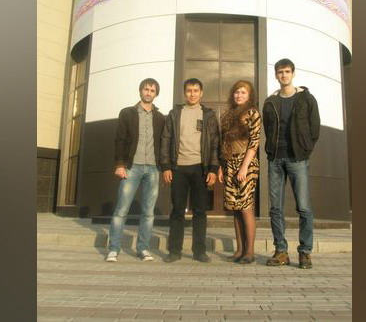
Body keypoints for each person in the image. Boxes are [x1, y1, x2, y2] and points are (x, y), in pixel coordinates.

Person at [262, 58, 320, 269]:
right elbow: (268, 128)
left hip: (297, 159)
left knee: (303, 207)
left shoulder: (306, 99)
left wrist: (305, 150)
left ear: (293, 73)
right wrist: (271, 151)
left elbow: (314, 128)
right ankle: (281, 251)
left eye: (287, 71)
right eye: (280, 72)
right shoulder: (270, 102)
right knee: (275, 208)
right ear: (276, 75)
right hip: (275, 159)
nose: (284, 75)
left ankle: (305, 252)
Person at [160, 78, 220, 263]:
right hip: (178, 168)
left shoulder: (208, 115)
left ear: (201, 93)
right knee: (177, 210)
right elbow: (166, 139)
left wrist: (213, 169)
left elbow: (215, 143)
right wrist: (166, 166)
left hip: (200, 169)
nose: (192, 94)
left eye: (195, 90)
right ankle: (174, 251)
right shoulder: (175, 113)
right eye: (189, 90)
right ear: (184, 93)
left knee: (200, 211)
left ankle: (199, 251)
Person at [106, 78, 165, 262]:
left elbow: (163, 144)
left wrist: (164, 167)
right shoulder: (127, 113)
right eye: (146, 89)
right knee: (121, 210)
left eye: (152, 90)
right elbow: (120, 139)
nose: (148, 93)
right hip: (132, 167)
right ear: (140, 91)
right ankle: (114, 248)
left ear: (156, 94)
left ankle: (143, 248)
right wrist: (119, 164)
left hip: (153, 169)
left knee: (148, 212)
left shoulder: (160, 118)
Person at [218, 80, 261, 264]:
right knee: (235, 209)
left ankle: (249, 252)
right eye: (237, 92)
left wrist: (244, 167)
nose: (239, 95)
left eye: (243, 92)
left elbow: (255, 141)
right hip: (229, 163)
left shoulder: (252, 112)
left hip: (246, 164)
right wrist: (221, 166)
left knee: (245, 207)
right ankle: (239, 250)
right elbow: (224, 143)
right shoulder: (229, 114)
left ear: (249, 95)